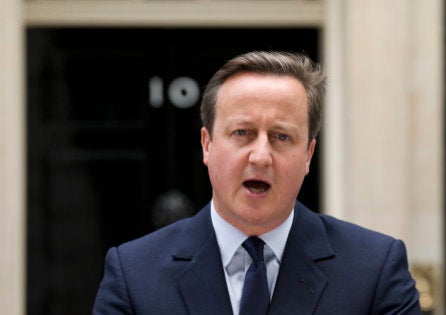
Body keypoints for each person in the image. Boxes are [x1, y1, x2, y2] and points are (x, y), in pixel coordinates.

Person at [93, 51, 421, 314]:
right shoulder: (134, 274)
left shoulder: (375, 269)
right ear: (207, 145)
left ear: (308, 154)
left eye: (281, 136)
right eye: (242, 133)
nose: (261, 156)